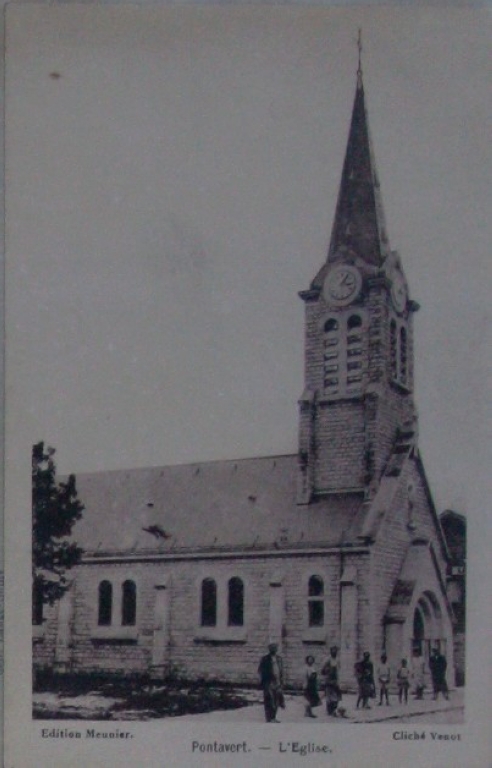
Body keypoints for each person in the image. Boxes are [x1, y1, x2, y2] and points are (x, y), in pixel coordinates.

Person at [258, 643, 284, 722]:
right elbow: (260, 670)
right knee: (269, 700)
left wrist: (281, 681)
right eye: (272, 648)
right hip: (269, 682)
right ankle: (269, 717)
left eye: (275, 648)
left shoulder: (279, 659)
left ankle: (274, 717)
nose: (274, 649)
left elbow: (281, 670)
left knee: (276, 700)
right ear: (269, 649)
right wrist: (266, 678)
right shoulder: (265, 659)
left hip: (278, 682)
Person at [321, 646, 343, 717]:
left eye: (335, 650)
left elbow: (339, 670)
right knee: (329, 697)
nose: (334, 652)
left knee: (337, 696)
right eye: (333, 650)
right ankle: (329, 711)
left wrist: (339, 680)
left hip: (336, 680)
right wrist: (327, 673)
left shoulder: (338, 660)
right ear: (330, 651)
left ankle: (334, 710)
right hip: (329, 680)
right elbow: (322, 671)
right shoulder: (327, 660)